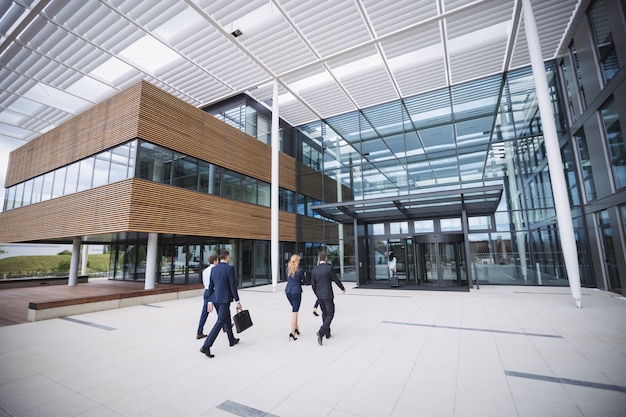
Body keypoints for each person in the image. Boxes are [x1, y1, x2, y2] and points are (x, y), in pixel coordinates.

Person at [200, 249, 242, 358]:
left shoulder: (214, 269)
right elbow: (233, 286)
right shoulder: (229, 268)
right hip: (224, 300)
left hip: (216, 298)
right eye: (230, 256)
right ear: (227, 257)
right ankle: (206, 346)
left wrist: (209, 300)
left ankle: (231, 339)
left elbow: (210, 286)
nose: (230, 258)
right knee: (220, 322)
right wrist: (238, 301)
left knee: (226, 319)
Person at [310, 251, 345, 346]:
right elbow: (335, 279)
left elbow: (313, 285)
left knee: (324, 313)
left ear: (318, 258)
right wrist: (342, 288)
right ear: (325, 258)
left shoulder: (314, 270)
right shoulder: (329, 268)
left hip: (320, 295)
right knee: (330, 314)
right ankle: (321, 331)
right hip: (328, 295)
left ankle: (327, 333)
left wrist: (317, 294)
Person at [196, 254, 219, 339]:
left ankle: (199, 332)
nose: (218, 262)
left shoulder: (205, 271)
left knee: (204, 313)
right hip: (214, 291)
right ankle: (225, 326)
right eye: (217, 260)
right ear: (215, 261)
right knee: (221, 310)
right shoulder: (215, 270)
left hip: (206, 291)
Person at [285, 254, 305, 340]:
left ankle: (296, 328)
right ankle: (292, 333)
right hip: (296, 291)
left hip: (288, 291)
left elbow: (289, 279)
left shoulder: (287, 269)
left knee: (294, 309)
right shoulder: (300, 270)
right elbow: (304, 281)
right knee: (295, 312)